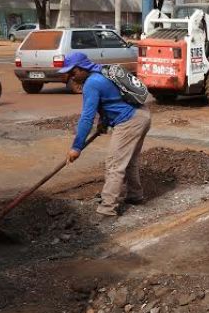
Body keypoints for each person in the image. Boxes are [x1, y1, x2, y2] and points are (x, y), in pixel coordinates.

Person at [59, 52, 152, 221]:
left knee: (114, 163)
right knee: (128, 160)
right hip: (141, 115)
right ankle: (135, 196)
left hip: (130, 120)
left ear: (81, 68)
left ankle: (107, 210)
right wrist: (104, 122)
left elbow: (87, 118)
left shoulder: (92, 83)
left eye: (72, 73)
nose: (71, 77)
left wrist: (76, 146)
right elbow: (111, 100)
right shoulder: (101, 71)